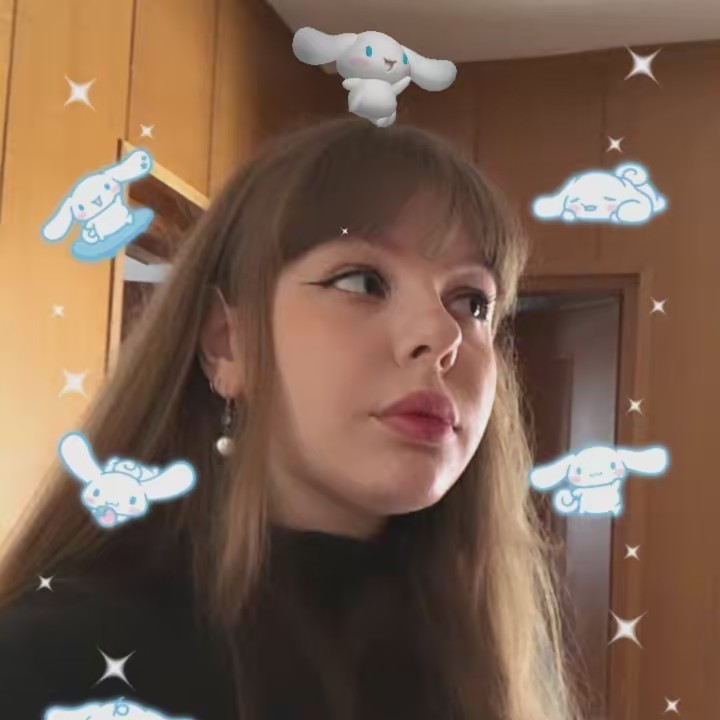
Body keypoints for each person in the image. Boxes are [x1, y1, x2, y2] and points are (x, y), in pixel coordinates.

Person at [0, 117, 583, 720]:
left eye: (473, 302)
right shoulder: (59, 662)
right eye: (363, 281)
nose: (442, 334)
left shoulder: (497, 654)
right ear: (228, 343)